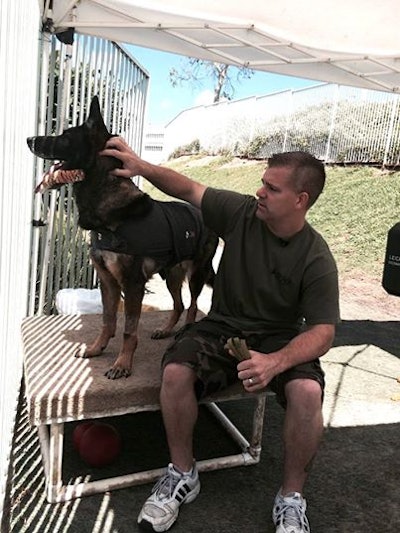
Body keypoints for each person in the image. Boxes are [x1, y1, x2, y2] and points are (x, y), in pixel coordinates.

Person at [100, 137, 340, 533]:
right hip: (223, 326)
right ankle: (182, 474)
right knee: (176, 372)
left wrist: (275, 361)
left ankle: (291, 498)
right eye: (263, 182)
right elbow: (189, 188)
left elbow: (323, 332)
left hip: (279, 337)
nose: (260, 192)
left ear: (301, 200)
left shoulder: (316, 256)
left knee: (308, 392)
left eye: (272, 188)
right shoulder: (243, 213)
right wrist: (142, 167)